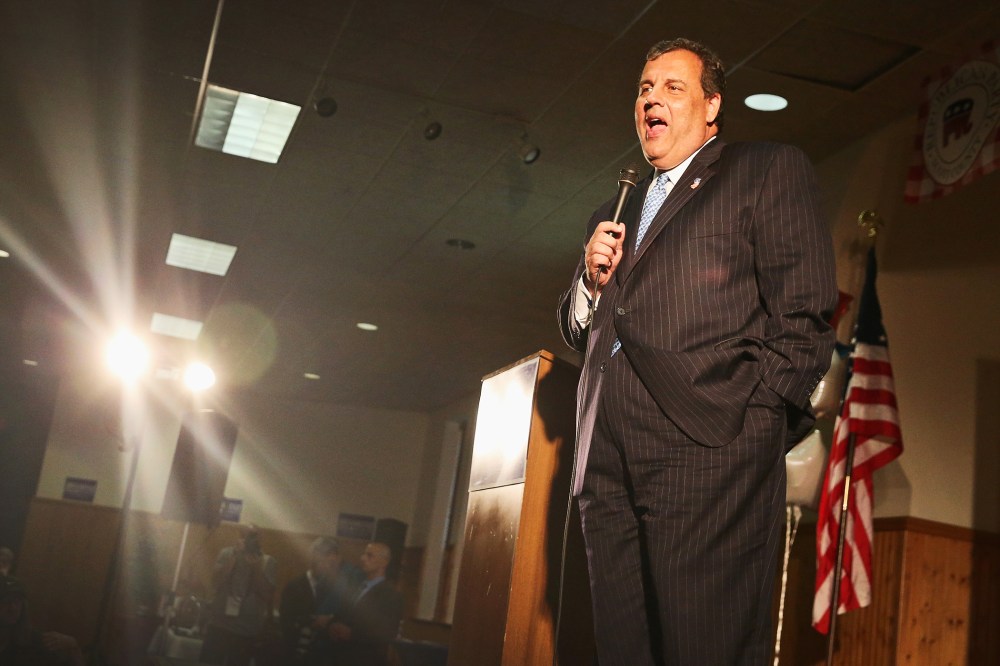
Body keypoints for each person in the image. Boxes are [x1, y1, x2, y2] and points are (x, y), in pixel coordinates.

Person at [557, 37, 837, 665]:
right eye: (644, 89)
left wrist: (756, 424)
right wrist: (590, 284)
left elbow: (805, 311)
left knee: (702, 645)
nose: (651, 99)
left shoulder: (763, 169)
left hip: (709, 449)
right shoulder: (615, 207)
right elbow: (577, 329)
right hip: (604, 459)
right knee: (623, 649)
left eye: (672, 87)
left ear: (712, 106)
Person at [200, 525, 277, 666]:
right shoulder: (227, 554)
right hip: (218, 625)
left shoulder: (268, 561)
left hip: (246, 631)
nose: (250, 540)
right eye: (246, 535)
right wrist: (234, 556)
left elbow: (267, 595)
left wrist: (256, 567)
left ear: (261, 539)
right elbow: (215, 582)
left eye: (254, 536)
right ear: (240, 536)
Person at [323, 542, 402, 666]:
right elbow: (341, 614)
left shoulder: (390, 595)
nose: (363, 558)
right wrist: (332, 625)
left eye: (369, 555)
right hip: (339, 656)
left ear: (384, 562)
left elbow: (387, 631)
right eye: (364, 554)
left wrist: (352, 634)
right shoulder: (355, 587)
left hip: (365, 659)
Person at [278, 536, 342, 664]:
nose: (328, 567)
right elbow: (285, 621)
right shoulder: (294, 587)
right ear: (314, 559)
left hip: (324, 657)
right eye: (326, 562)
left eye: (333, 564)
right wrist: (312, 622)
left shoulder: (336, 590)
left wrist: (330, 621)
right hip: (296, 654)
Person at [0, 575, 84, 666]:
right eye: (5, 601)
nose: (13, 608)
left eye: (17, 601)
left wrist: (73, 646)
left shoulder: (35, 642)